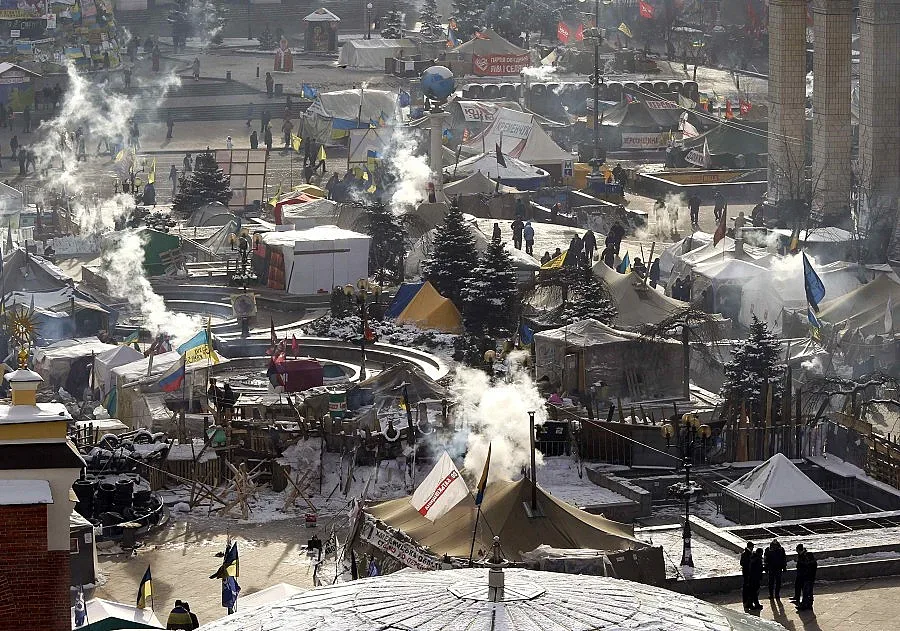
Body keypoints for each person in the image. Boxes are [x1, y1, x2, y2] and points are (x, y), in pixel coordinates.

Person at [740, 542, 755, 611]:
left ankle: (747, 603)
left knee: (748, 588)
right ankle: (747, 603)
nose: (753, 548)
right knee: (748, 589)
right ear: (750, 547)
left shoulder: (746, 553)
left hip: (747, 573)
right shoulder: (746, 554)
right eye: (752, 547)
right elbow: (743, 563)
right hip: (748, 574)